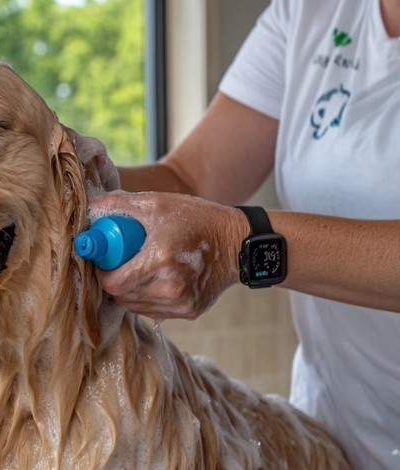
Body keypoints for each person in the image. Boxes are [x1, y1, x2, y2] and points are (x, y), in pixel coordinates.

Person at [74, 0, 400, 468]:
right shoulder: (310, 12)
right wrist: (59, 180)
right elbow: (193, 177)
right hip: (330, 434)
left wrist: (239, 244)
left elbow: (221, 226)